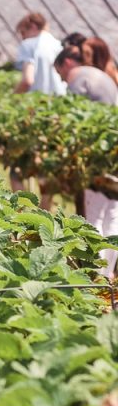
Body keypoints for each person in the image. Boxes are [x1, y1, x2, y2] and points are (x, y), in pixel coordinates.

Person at [54, 45, 118, 276]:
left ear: (67, 64)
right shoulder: (102, 76)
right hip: (114, 148)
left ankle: (96, 273)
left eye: (60, 74)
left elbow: (73, 120)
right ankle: (109, 272)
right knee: (112, 211)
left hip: (95, 155)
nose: (63, 81)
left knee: (94, 213)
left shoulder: (78, 78)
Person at [14, 11, 67, 96]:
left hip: (39, 99)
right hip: (60, 95)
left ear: (33, 27)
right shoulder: (58, 44)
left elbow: (27, 81)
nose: (23, 38)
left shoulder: (28, 44)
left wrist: (13, 96)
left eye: (23, 33)